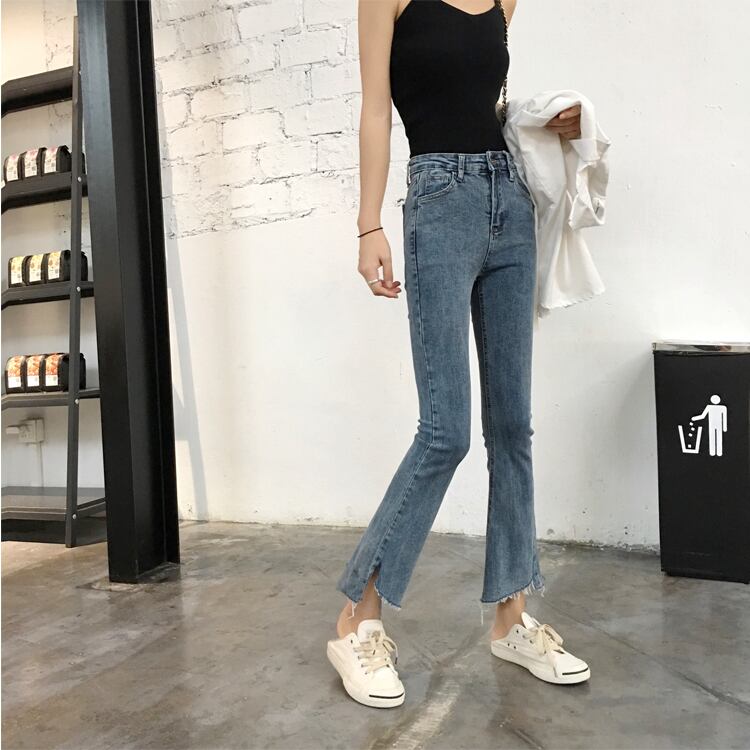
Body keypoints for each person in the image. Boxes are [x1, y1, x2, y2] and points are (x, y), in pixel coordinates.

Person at [326, 0, 591, 709]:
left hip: (511, 203)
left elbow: (486, 105)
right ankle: (358, 618)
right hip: (439, 200)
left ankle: (511, 618)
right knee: (445, 430)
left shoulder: (506, 0)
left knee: (512, 427)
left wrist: (550, 121)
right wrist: (367, 225)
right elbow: (375, 110)